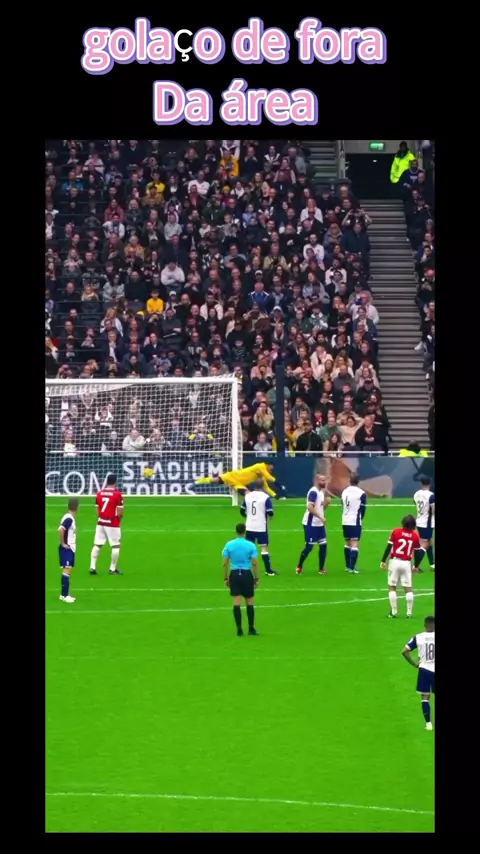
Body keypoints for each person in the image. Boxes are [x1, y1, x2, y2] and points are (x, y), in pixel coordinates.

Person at [380, 515, 421, 618]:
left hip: (395, 561)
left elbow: (389, 546)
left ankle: (394, 612)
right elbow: (417, 552)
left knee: (392, 586)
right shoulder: (415, 535)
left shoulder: (396, 531)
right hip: (406, 563)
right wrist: (416, 565)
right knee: (408, 588)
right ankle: (409, 613)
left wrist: (383, 560)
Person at [222, 522, 259, 637]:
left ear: (236, 531)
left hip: (234, 574)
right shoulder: (251, 545)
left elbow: (225, 563)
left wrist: (226, 577)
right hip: (247, 574)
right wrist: (256, 578)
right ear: (245, 531)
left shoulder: (229, 545)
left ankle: (239, 629)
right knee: (250, 602)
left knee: (237, 602)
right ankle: (251, 628)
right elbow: (255, 563)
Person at [401, 615, 435, 731]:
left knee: (425, 697)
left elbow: (404, 651)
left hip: (424, 669)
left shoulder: (418, 637)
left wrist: (414, 663)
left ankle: (428, 724)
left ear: (425, 625)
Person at [241, 477, 278, 577]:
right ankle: (268, 570)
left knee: (249, 548)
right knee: (264, 548)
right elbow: (270, 512)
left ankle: (245, 568)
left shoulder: (248, 496)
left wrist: (248, 516)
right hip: (261, 527)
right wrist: (271, 517)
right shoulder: (265, 497)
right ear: (263, 485)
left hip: (249, 526)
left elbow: (242, 510)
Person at [195, 460, 285, 499]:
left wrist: (274, 495)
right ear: (268, 464)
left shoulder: (261, 474)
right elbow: (269, 478)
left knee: (248, 494)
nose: (272, 469)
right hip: (232, 476)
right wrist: (279, 484)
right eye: (271, 467)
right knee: (215, 480)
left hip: (239, 484)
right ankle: (197, 482)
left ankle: (247, 508)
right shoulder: (260, 466)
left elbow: (266, 486)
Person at [90, 473, 124, 575]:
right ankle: (112, 569)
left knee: (97, 544)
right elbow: (120, 512)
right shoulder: (117, 494)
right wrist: (118, 520)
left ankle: (92, 567)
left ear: (107, 482)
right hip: (112, 523)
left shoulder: (99, 493)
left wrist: (102, 517)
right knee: (116, 546)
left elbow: (97, 509)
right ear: (115, 482)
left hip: (101, 522)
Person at [296, 473, 330, 575]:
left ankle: (321, 568)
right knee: (309, 547)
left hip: (319, 524)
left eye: (324, 480)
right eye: (322, 480)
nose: (324, 482)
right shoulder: (313, 492)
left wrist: (327, 503)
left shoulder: (321, 492)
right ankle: (299, 566)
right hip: (310, 523)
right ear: (317, 481)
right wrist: (321, 517)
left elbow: (321, 508)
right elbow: (310, 507)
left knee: (323, 545)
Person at [341, 473, 367, 574]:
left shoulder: (344, 491)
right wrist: (361, 518)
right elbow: (363, 509)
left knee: (347, 543)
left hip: (345, 520)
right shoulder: (361, 493)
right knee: (355, 544)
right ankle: (352, 568)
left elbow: (342, 504)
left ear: (350, 480)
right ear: (358, 481)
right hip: (354, 521)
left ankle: (347, 566)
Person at [58, 497, 79, 603]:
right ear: (77, 507)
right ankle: (65, 595)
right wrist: (63, 543)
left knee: (67, 570)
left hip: (69, 548)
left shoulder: (68, 516)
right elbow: (61, 529)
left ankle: (63, 594)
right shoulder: (69, 519)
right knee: (67, 570)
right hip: (67, 548)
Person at [413, 476, 435, 572]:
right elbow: (433, 510)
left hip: (419, 521)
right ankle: (415, 566)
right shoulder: (431, 495)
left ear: (421, 483)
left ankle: (432, 564)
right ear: (430, 483)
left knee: (429, 541)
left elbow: (416, 504)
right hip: (427, 523)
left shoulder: (416, 494)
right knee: (425, 544)